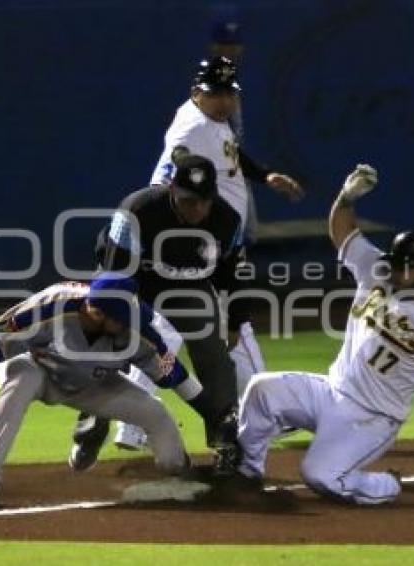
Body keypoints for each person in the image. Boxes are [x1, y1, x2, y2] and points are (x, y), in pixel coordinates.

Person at [234, 164, 414, 506]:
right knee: (262, 388)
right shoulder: (379, 271)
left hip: (370, 419)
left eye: (402, 265)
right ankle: (246, 474)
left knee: (322, 477)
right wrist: (346, 198)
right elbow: (343, 233)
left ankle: (386, 485)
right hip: (329, 391)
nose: (393, 268)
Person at [110, 56, 303, 452]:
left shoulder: (212, 122)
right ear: (196, 92)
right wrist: (179, 230)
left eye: (229, 92)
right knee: (220, 330)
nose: (225, 100)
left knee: (170, 331)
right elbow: (171, 174)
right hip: (197, 244)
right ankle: (266, 413)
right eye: (216, 93)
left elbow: (230, 154)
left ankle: (132, 423)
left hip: (211, 237)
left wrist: (263, 174)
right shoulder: (190, 128)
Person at [0, 274, 202, 506]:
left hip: (94, 384)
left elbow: (177, 377)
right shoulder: (50, 305)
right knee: (20, 382)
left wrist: (215, 417)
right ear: (97, 312)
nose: (130, 323)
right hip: (38, 369)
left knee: (156, 413)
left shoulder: (137, 331)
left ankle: (182, 469)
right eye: (123, 318)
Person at [69, 154, 245, 474]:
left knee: (213, 352)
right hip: (130, 279)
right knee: (111, 344)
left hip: (186, 285)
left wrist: (234, 322)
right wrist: (126, 321)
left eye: (203, 201)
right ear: (171, 191)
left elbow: (233, 275)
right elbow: (114, 276)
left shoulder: (227, 220)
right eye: (188, 201)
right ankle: (93, 424)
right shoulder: (137, 211)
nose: (197, 209)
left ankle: (224, 438)